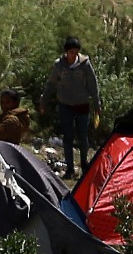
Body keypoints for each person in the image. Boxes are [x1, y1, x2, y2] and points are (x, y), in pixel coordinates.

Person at [40, 37, 101, 178]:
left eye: (76, 52)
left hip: (82, 103)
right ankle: (70, 168)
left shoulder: (85, 64)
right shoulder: (59, 65)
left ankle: (84, 162)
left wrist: (97, 103)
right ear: (66, 52)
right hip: (65, 104)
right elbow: (51, 84)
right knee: (68, 137)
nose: (73, 55)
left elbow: (93, 84)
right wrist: (44, 101)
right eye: (71, 52)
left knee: (82, 136)